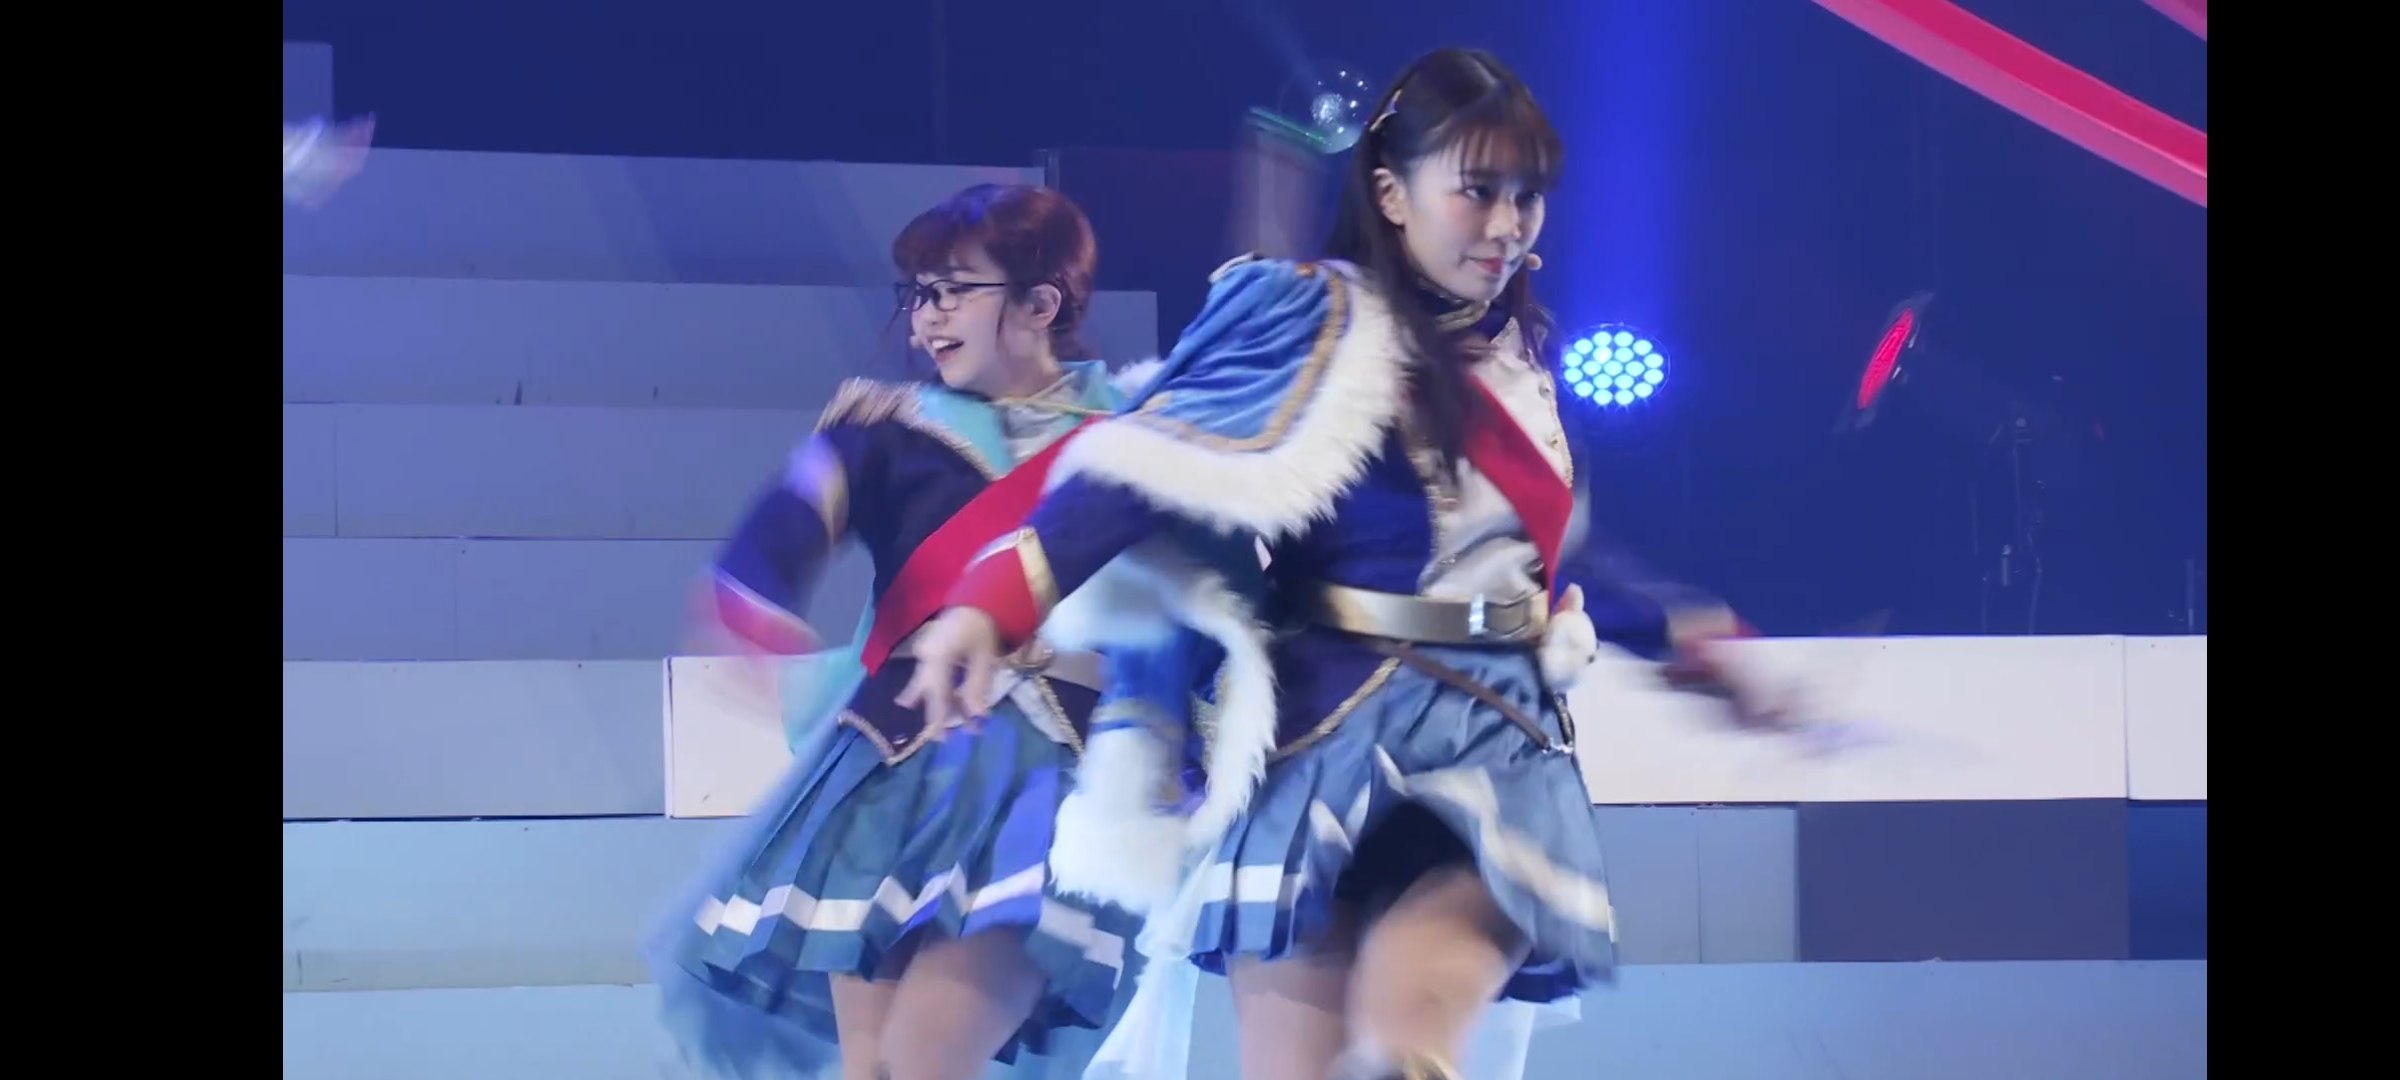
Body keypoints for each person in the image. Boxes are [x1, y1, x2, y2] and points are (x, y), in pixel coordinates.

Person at [899, 50, 1784, 1080]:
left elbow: (1533, 564)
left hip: (1495, 739)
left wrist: (1679, 631)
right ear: (1390, 193)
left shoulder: (1525, 356)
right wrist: (989, 603)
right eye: (1477, 190)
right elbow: (1141, 468)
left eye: (1527, 196)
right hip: (1321, 734)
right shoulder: (1313, 319)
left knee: (1410, 1039)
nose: (1506, 224)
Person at [648, 183, 1155, 1080]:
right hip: (892, 764)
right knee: (873, 1068)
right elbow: (783, 531)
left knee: (928, 1061)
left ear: (1041, 304)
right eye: (920, 292)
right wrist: (755, 611)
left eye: (955, 289)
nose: (929, 314)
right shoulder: (886, 432)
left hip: (1054, 777)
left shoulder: (1139, 439)